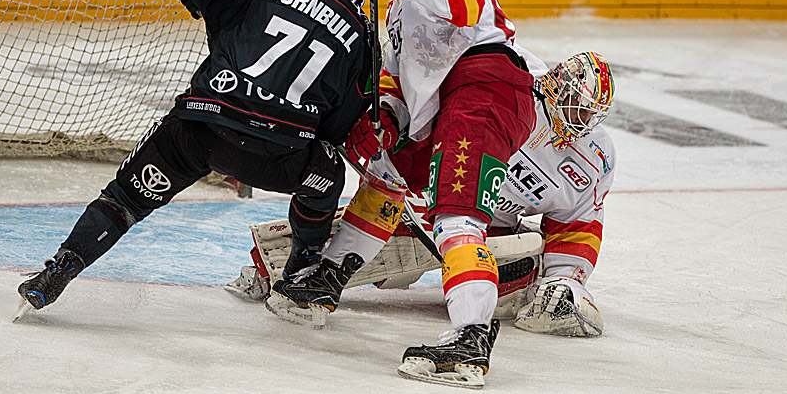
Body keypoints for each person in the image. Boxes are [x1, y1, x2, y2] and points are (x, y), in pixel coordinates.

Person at [14, 0, 372, 319]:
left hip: (200, 130)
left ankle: (59, 271)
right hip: (277, 156)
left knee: (123, 200)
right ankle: (298, 276)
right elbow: (338, 128)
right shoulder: (363, 35)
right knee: (327, 175)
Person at [266, 0, 541, 387]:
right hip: (440, 106)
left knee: (457, 214)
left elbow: (466, 3)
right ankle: (328, 279)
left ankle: (471, 340)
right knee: (386, 176)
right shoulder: (396, 8)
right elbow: (396, 82)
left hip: (484, 84)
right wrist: (385, 122)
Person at [258, 49, 615, 360]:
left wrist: (565, 280)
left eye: (589, 114)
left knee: (523, 268)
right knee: (391, 196)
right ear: (557, 84)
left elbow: (578, 223)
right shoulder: (511, 82)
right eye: (578, 106)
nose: (580, 119)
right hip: (428, 196)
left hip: (491, 229)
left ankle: (470, 317)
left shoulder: (594, 157)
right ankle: (303, 267)